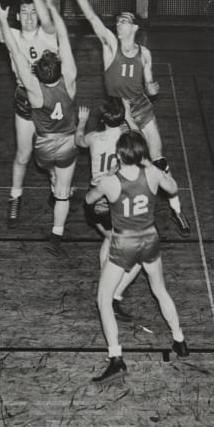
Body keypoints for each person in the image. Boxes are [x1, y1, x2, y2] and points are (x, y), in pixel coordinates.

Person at [63, 0, 191, 236]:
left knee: (159, 159)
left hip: (141, 107)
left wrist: (153, 88)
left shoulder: (145, 54)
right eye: (118, 21)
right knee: (122, 160)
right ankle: (118, 202)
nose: (118, 24)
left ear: (134, 27)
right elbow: (92, 17)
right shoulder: (110, 44)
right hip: (119, 111)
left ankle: (177, 209)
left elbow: (149, 86)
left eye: (124, 21)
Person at [83, 131, 189, 383]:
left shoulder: (111, 181)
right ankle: (180, 340)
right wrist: (151, 165)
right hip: (149, 238)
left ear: (119, 155)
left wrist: (108, 178)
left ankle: (116, 358)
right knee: (160, 290)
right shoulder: (152, 173)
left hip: (124, 242)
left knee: (103, 299)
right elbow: (173, 188)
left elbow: (88, 199)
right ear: (141, 154)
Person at [0, 0, 75, 256]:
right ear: (17, 16)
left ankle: (56, 186)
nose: (28, 17)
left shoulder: (48, 35)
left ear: (39, 14)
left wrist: (40, 0)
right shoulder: (13, 34)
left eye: (32, 12)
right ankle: (15, 196)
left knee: (51, 150)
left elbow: (53, 24)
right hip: (27, 100)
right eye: (24, 12)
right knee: (24, 154)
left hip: (49, 100)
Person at [75, 97, 143, 321]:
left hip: (95, 200)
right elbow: (140, 137)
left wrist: (82, 121)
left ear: (102, 119)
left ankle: (107, 280)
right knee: (139, 257)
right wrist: (129, 116)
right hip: (114, 201)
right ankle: (113, 295)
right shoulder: (126, 138)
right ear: (121, 118)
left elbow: (78, 141)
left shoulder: (94, 138)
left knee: (108, 237)